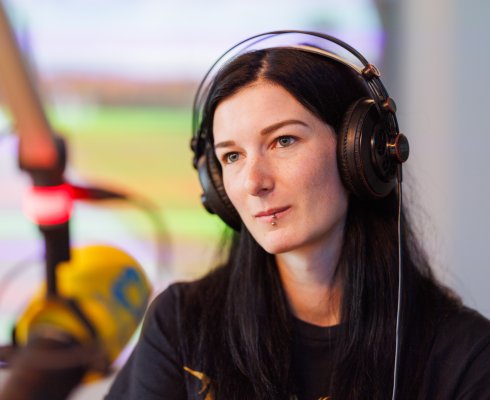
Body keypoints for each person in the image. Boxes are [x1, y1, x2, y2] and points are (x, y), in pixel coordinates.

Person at [106, 32, 490, 399]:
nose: (254, 182)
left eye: (283, 141)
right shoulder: (180, 324)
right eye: (232, 156)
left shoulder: (465, 355)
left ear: (361, 151)